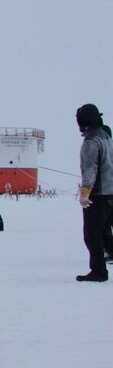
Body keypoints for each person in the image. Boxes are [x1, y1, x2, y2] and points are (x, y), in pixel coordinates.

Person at [75, 104, 113, 282]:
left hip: (98, 194)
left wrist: (85, 191)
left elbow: (90, 168)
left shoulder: (91, 141)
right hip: (110, 193)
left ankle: (98, 271)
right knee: (104, 230)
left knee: (91, 234)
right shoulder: (106, 136)